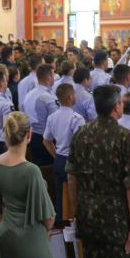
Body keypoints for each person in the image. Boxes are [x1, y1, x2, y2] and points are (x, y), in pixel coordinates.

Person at [66, 85, 130, 258]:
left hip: (88, 216)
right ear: (117, 107)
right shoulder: (126, 138)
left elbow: (72, 179)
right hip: (116, 221)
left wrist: (78, 211)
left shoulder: (81, 133)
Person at [0, 112, 57, 258]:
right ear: (28, 135)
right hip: (32, 240)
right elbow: (48, 218)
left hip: (7, 236)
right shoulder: (31, 171)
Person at [42, 83, 85, 222]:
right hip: (73, 161)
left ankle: (60, 229)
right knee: (74, 198)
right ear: (70, 97)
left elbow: (46, 141)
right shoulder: (76, 118)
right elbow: (81, 144)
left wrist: (56, 155)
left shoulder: (52, 117)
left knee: (60, 197)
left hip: (59, 159)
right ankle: (74, 228)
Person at [22, 64, 57, 166]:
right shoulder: (48, 98)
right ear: (49, 77)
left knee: (37, 166)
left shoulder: (29, 94)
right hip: (45, 139)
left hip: (31, 137)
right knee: (48, 170)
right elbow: (55, 122)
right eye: (53, 75)